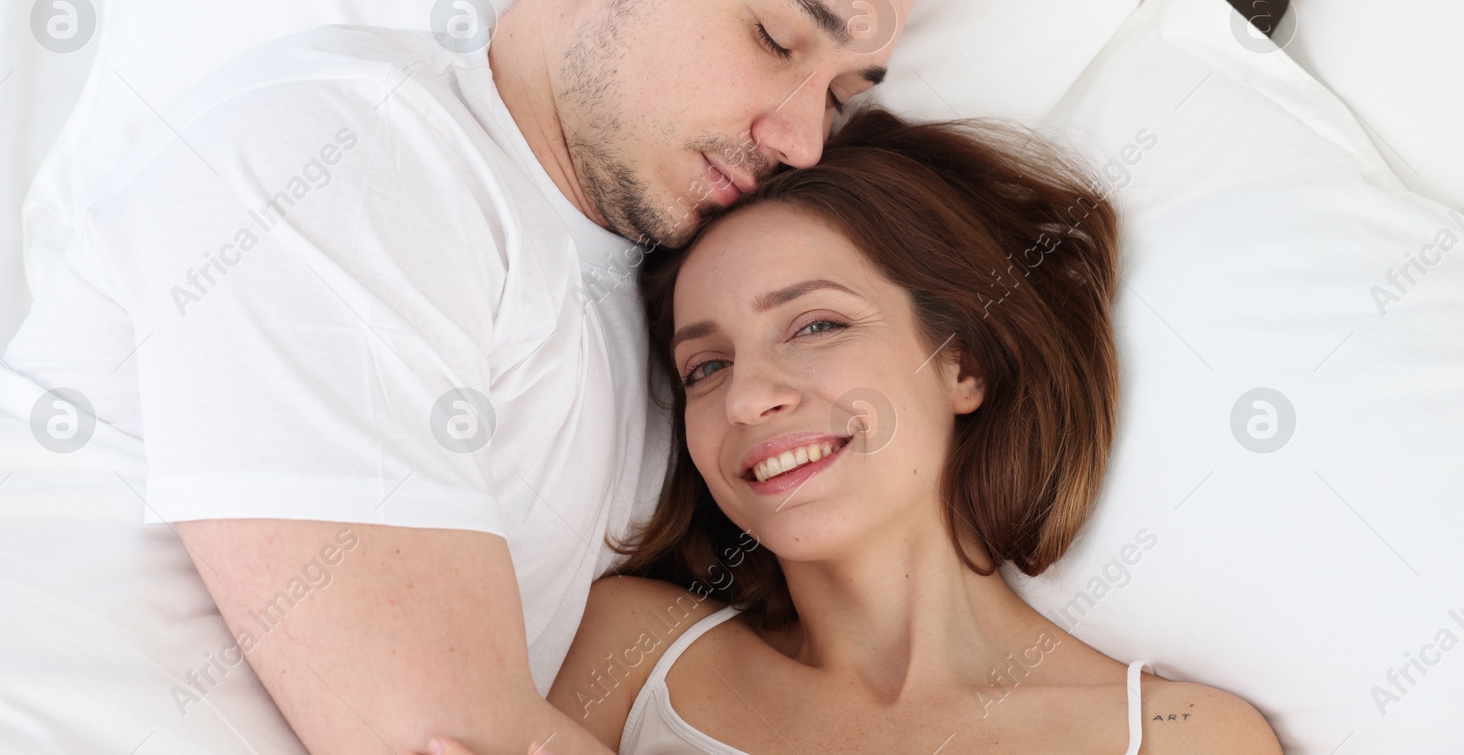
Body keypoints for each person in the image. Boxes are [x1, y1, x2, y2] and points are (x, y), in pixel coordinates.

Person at [2, 0, 936, 753]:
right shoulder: (339, 149)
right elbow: (437, 737)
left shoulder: (681, 329)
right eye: (774, 36)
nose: (801, 139)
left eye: (843, 95)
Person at [428, 105, 1282, 755]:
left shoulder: (1181, 735)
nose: (748, 398)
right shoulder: (636, 651)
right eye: (706, 367)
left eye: (815, 326)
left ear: (963, 366)